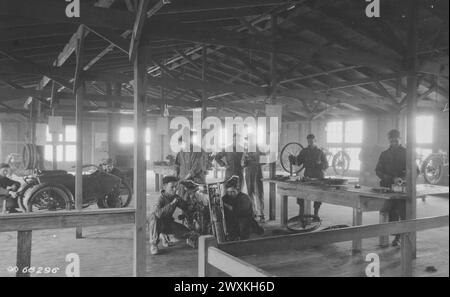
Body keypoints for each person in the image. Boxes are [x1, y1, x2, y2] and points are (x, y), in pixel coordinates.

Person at [375, 129, 417, 246]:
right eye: (391, 141)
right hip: (388, 188)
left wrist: (404, 178)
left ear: (400, 139)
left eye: (396, 141)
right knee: (389, 212)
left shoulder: (407, 153)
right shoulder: (384, 154)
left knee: (403, 212)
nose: (393, 143)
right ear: (389, 140)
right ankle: (394, 235)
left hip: (403, 189)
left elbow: (416, 170)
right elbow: (378, 170)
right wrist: (388, 178)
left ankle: (401, 236)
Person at [148, 176, 190, 255]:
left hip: (168, 223)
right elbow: (158, 214)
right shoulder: (159, 198)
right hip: (157, 224)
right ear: (164, 187)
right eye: (172, 187)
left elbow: (186, 207)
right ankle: (154, 244)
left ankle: (165, 235)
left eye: (176, 187)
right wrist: (172, 204)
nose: (175, 189)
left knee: (187, 234)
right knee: (154, 218)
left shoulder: (175, 197)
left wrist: (189, 195)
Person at [289, 134, 329, 218]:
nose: (310, 143)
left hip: (318, 176)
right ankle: (301, 213)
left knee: (317, 196)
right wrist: (292, 159)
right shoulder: (304, 151)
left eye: (312, 141)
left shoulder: (320, 152)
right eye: (308, 141)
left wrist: (319, 164)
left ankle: (315, 214)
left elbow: (326, 165)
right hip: (307, 176)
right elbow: (298, 162)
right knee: (301, 193)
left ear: (315, 141)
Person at [222, 176, 264, 241]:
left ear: (237, 189)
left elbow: (242, 212)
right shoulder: (226, 197)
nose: (230, 194)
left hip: (244, 220)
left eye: (232, 191)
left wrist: (228, 207)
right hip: (232, 221)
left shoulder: (245, 198)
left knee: (243, 224)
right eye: (228, 192)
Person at [241, 146, 265, 223]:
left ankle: (261, 214)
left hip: (257, 173)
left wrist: (255, 160)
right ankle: (253, 212)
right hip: (248, 173)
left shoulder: (259, 149)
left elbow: (265, 160)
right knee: (250, 192)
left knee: (259, 193)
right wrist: (245, 160)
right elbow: (242, 164)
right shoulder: (246, 150)